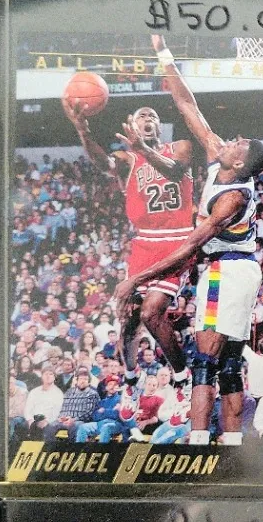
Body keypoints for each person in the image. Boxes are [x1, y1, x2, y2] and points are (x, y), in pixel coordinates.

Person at [114, 34, 263, 447]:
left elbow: (188, 248)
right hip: (235, 269)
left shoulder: (232, 198)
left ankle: (197, 440)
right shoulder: (220, 156)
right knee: (229, 363)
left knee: (205, 360)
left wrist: (135, 279)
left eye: (239, 143)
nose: (233, 138)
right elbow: (188, 105)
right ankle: (231, 444)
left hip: (228, 270)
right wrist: (163, 53)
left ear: (240, 161)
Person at [63, 86, 194, 383]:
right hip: (144, 242)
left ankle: (181, 378)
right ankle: (132, 379)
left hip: (177, 240)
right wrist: (83, 131)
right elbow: (104, 164)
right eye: (141, 116)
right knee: (130, 320)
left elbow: (175, 171)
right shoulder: (127, 159)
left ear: (159, 126)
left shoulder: (180, 147)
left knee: (151, 313)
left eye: (152, 116)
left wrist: (143, 149)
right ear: (132, 126)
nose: (147, 119)